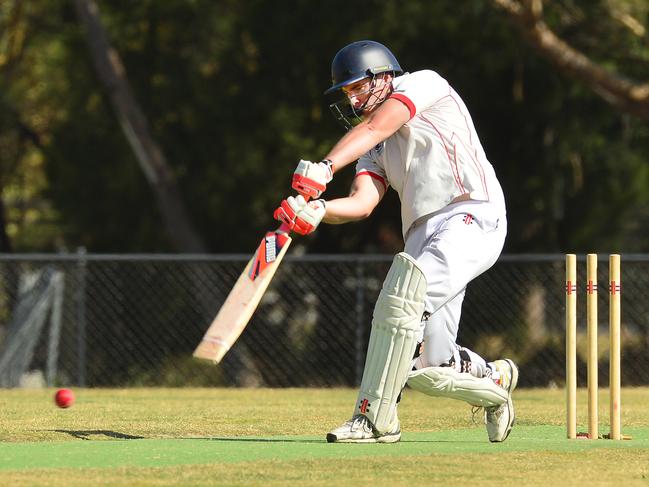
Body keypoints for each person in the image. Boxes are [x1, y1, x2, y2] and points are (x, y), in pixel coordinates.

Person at [273, 40, 518, 444]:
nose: (351, 99)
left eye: (356, 88)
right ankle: (495, 383)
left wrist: (325, 166)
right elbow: (362, 202)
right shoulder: (377, 149)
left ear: (382, 76)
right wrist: (318, 212)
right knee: (429, 365)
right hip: (423, 234)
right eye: (346, 93)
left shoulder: (424, 84)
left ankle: (373, 421)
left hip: (471, 213)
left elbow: (376, 126)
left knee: (401, 302)